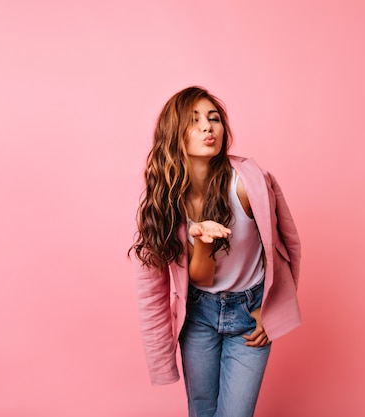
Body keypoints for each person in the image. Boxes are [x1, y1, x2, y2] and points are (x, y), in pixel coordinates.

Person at [130, 86, 301, 417]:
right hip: (197, 317)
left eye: (214, 118)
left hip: (248, 315)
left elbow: (286, 246)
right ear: (173, 133)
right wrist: (204, 246)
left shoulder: (249, 183)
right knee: (202, 411)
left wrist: (273, 308)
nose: (208, 127)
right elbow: (153, 290)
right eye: (194, 121)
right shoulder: (161, 201)